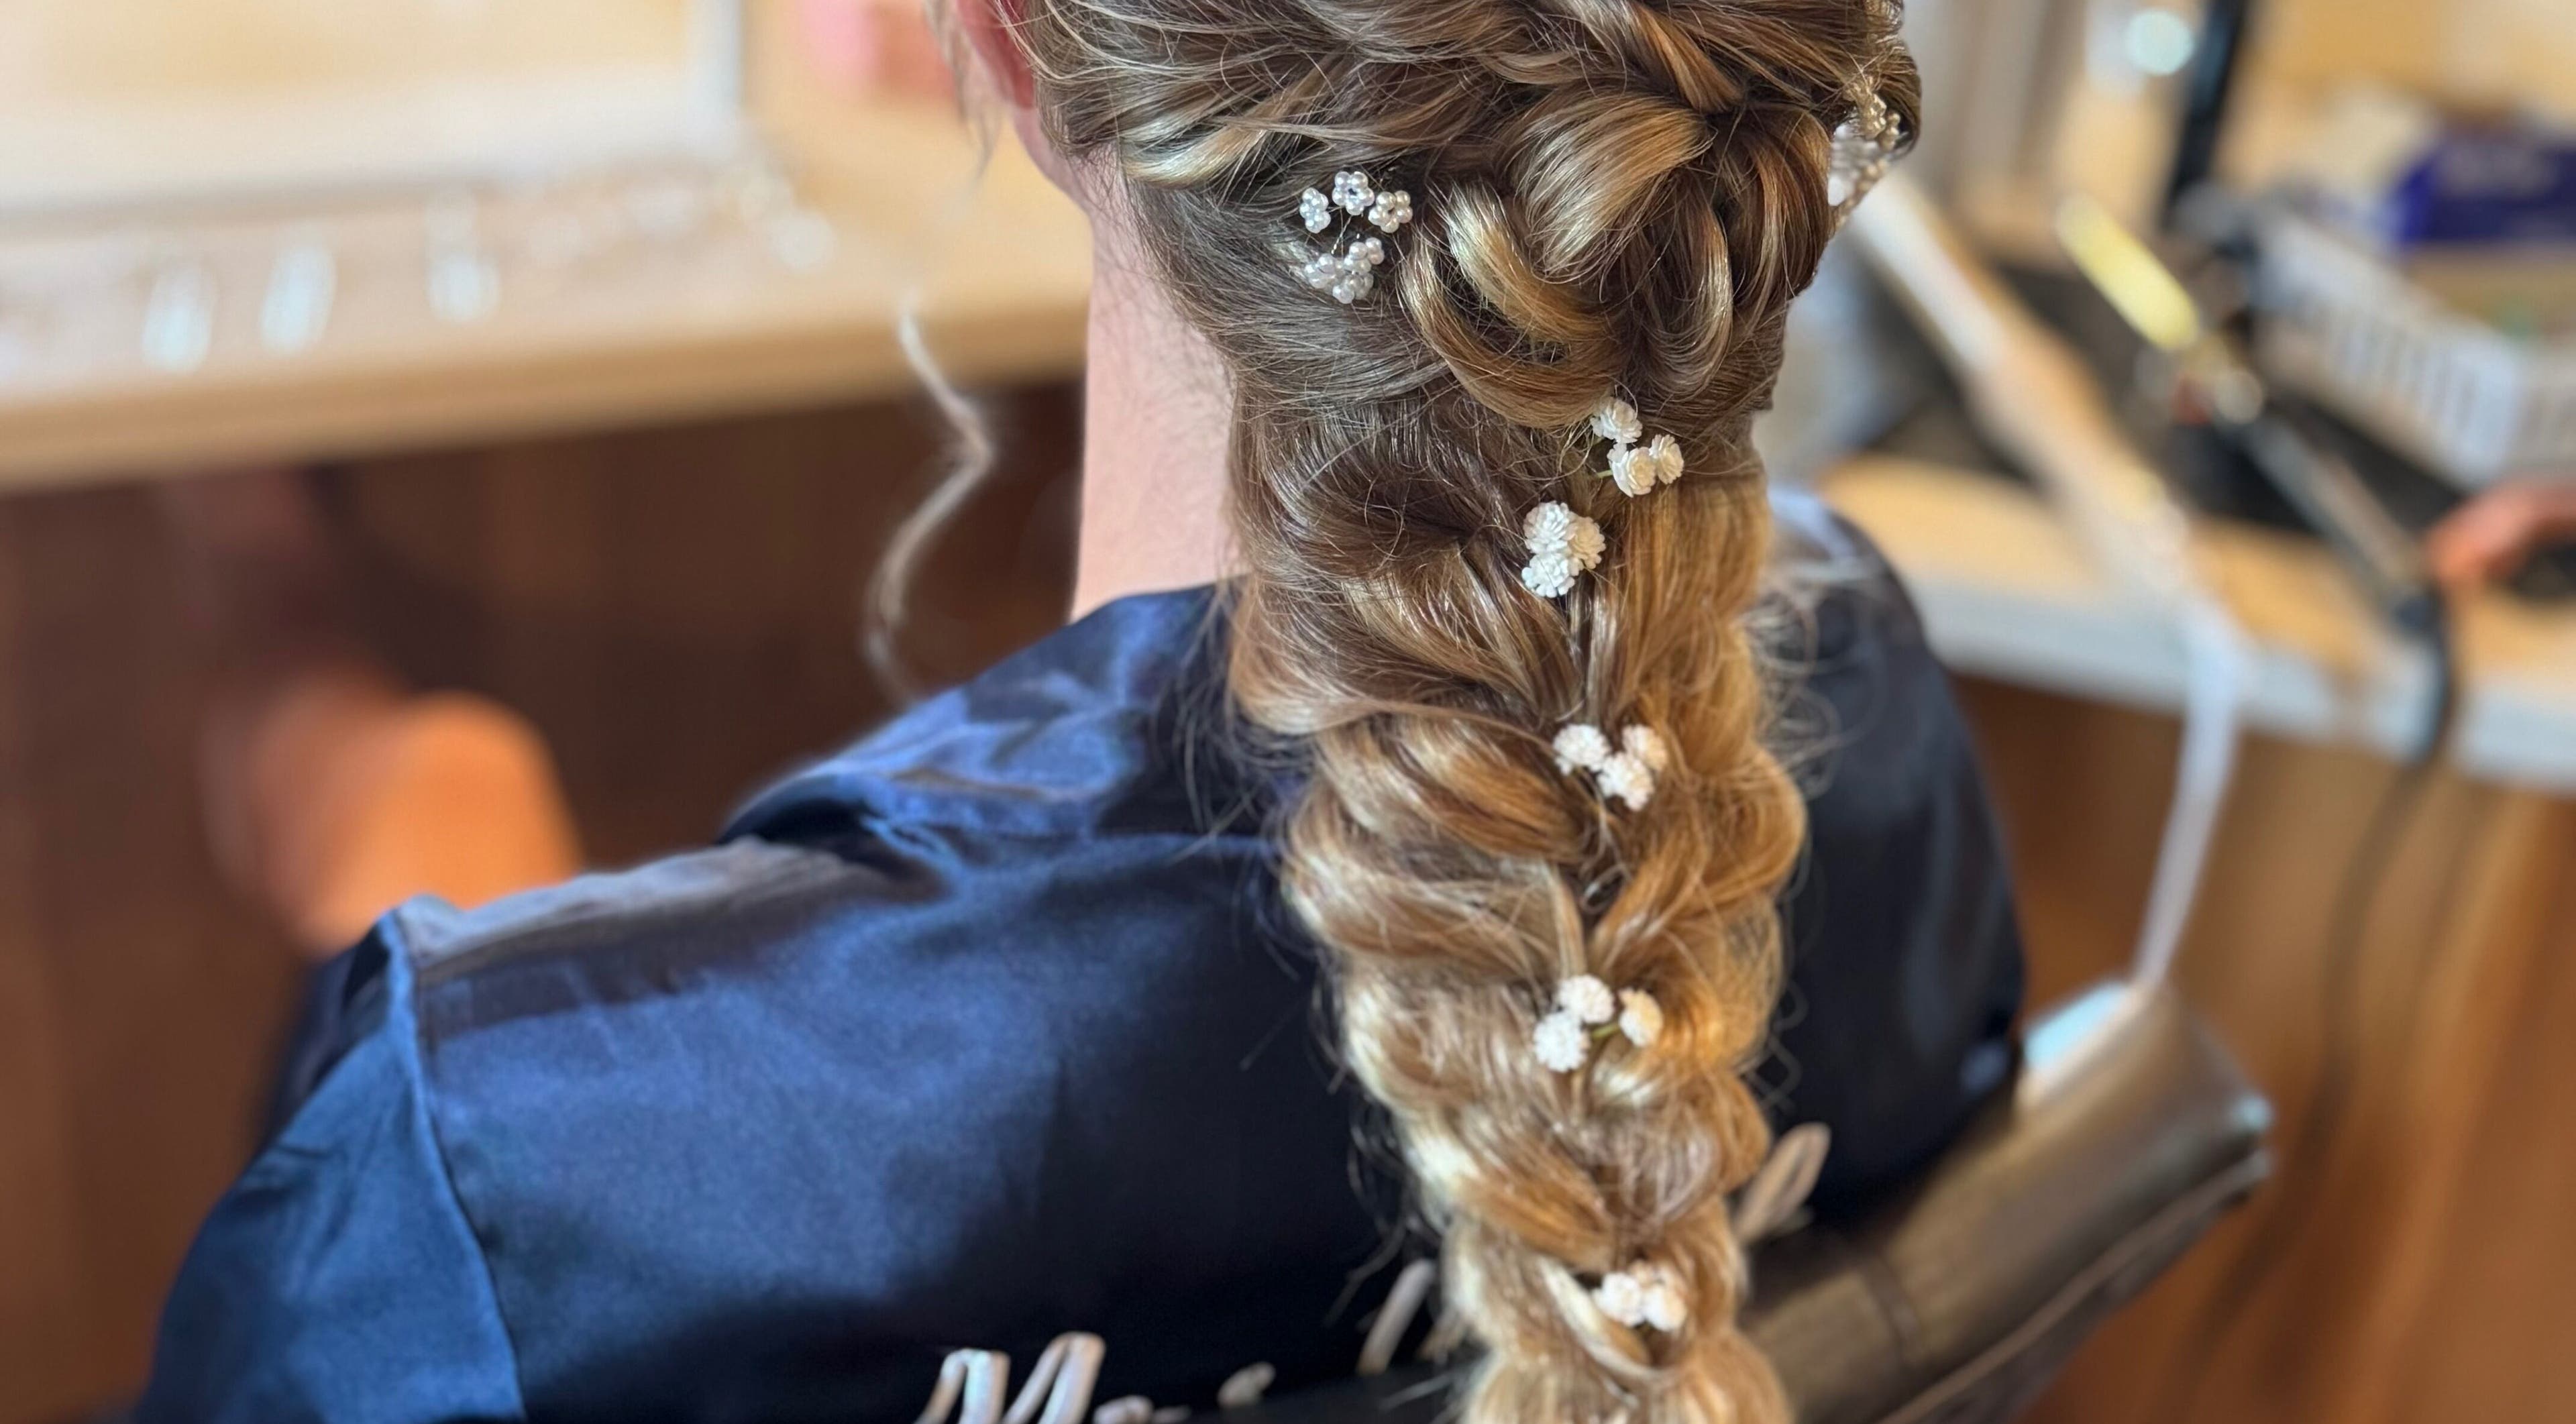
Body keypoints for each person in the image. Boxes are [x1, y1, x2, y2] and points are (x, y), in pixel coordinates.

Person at [140, 2, 2023, 1421]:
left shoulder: (513, 1159)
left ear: (1013, 50)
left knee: (420, 796)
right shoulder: (1886, 752)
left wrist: (502, 991)